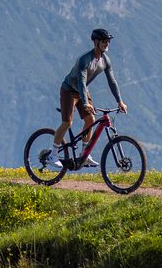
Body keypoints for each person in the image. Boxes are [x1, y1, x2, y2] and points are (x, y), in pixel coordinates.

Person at [47, 28, 126, 166]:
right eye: (104, 41)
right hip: (69, 90)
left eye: (108, 41)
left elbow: (112, 81)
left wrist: (120, 101)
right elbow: (81, 82)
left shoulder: (105, 60)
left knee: (90, 119)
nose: (107, 43)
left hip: (82, 91)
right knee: (67, 123)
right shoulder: (85, 60)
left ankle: (84, 155)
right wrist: (85, 102)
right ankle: (52, 154)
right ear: (96, 42)